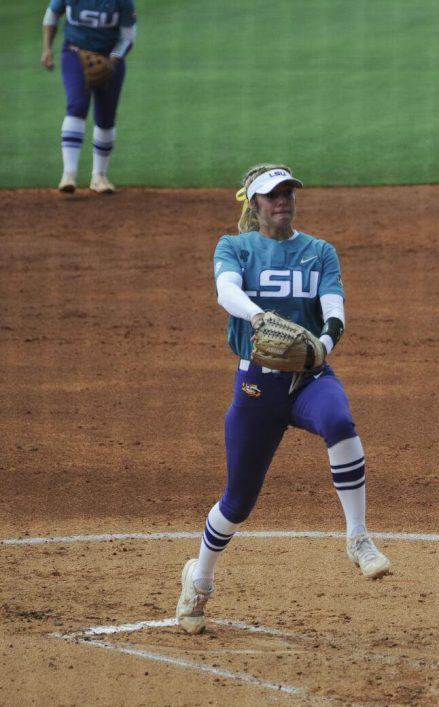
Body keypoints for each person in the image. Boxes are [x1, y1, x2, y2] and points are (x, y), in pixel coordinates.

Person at [175, 164, 391, 635]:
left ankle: (358, 538)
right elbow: (225, 291)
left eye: (288, 193)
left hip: (310, 377)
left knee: (339, 421)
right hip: (257, 387)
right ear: (253, 203)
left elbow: (334, 309)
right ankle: (200, 578)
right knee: (237, 502)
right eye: (272, 196)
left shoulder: (319, 252)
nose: (282, 201)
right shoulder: (235, 247)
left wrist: (322, 347)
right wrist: (258, 318)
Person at [40, 0, 137, 194]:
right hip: (74, 53)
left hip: (110, 58)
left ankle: (99, 176)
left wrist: (112, 61)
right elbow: (51, 16)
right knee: (77, 105)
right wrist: (47, 49)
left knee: (106, 118)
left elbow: (127, 37)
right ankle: (69, 174)